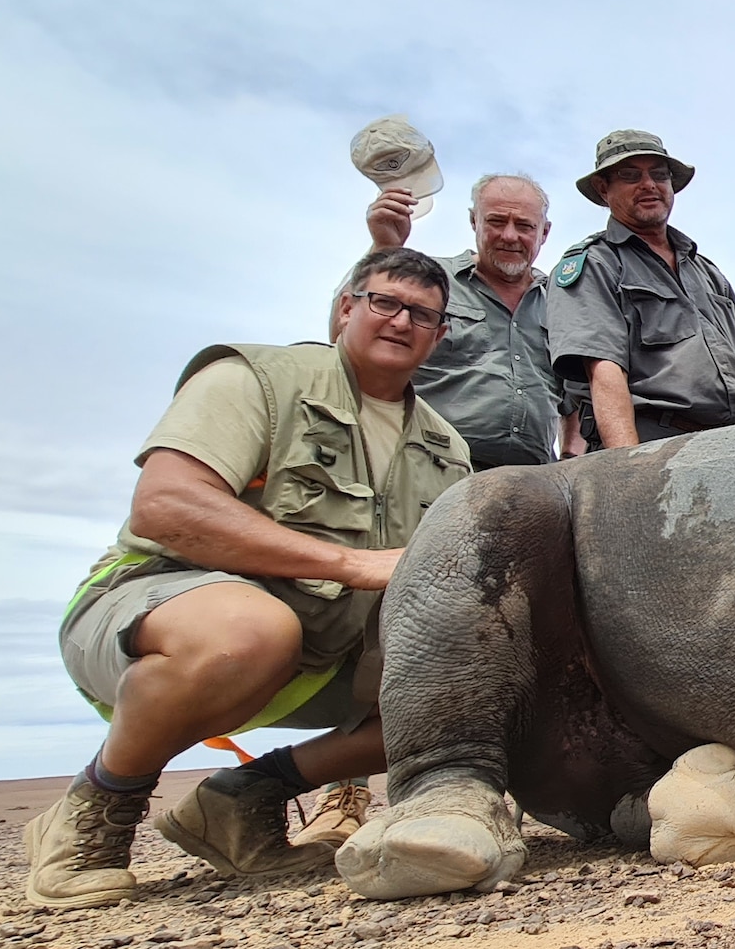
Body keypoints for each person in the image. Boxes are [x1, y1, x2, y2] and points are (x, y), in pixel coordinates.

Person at [28, 249, 472, 909]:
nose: (401, 320)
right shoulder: (258, 378)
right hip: (162, 606)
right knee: (252, 629)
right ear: (346, 307)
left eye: (422, 313)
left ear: (439, 336)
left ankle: (244, 797)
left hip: (322, 650)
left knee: (474, 684)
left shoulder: (447, 448)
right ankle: (99, 810)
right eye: (384, 301)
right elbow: (166, 506)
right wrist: (350, 565)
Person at [548, 130, 735, 446]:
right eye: (630, 175)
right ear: (603, 188)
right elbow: (604, 372)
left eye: (659, 175)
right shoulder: (596, 265)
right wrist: (630, 468)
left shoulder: (706, 271)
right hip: (654, 445)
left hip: (728, 446)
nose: (648, 184)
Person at [367, 172, 573, 471]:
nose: (510, 235)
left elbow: (575, 397)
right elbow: (346, 336)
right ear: (474, 221)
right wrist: (383, 247)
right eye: (496, 221)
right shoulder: (428, 281)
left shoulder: (561, 301)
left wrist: (570, 458)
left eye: (525, 226)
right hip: (429, 468)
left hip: (533, 481)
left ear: (544, 232)